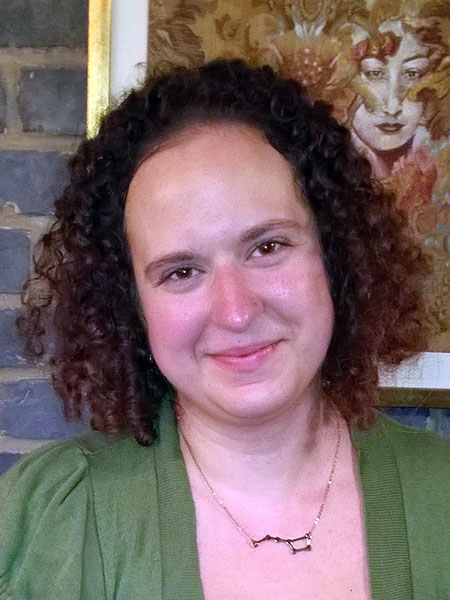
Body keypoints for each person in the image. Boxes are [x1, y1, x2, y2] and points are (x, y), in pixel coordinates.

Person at [0, 59, 449, 600]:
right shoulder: (47, 520)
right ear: (131, 304)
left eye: (267, 247)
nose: (236, 312)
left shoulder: (440, 494)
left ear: (335, 254)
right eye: (181, 272)